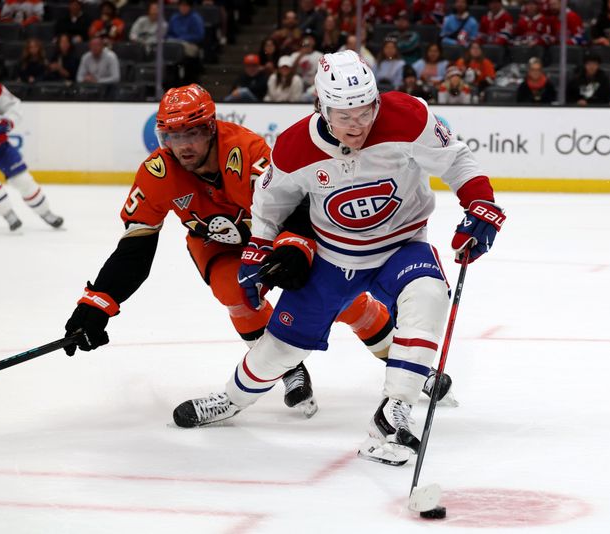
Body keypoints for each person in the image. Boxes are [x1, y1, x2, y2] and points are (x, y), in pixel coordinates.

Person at [173, 52, 500, 468]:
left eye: (365, 110)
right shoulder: (294, 147)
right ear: (321, 106)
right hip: (333, 256)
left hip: (401, 244)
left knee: (429, 293)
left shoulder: (407, 117)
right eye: (344, 114)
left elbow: (455, 158)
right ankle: (231, 400)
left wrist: (481, 204)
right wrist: (258, 248)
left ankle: (394, 409)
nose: (357, 123)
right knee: (280, 350)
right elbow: (270, 201)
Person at [61, 84, 398, 419]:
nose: (184, 146)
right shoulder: (156, 173)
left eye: (191, 133)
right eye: (173, 136)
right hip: (214, 244)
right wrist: (99, 302)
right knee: (231, 289)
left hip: (272, 231)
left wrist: (295, 246)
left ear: (210, 127)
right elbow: (135, 249)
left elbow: (296, 202)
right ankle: (286, 366)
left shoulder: (245, 149)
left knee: (334, 294)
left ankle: (400, 361)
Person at [0, 81, 63, 231]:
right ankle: (9, 215)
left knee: (23, 180)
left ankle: (46, 212)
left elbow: (14, 105)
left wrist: (7, 122)